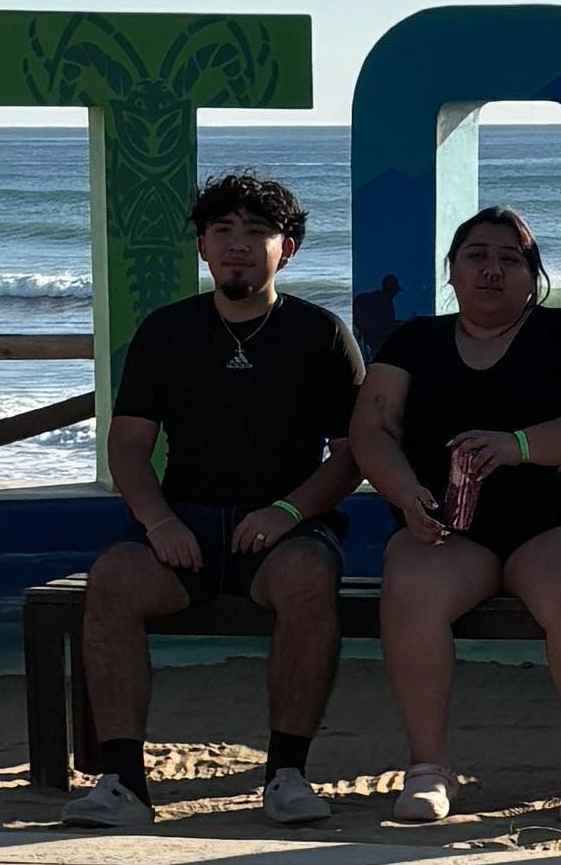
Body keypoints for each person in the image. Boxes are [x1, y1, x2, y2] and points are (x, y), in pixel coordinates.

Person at [70, 175, 363, 824]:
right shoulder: (167, 332)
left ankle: (287, 773)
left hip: (288, 526)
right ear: (202, 246)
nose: (239, 245)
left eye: (257, 232)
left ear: (285, 249)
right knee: (112, 580)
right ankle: (121, 782)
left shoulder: (321, 334)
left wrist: (288, 511)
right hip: (186, 525)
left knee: (310, 581)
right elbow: (128, 447)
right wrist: (159, 521)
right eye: (223, 232)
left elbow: (352, 454)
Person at [352, 203, 561, 829]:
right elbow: (371, 428)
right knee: (410, 588)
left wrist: (520, 445)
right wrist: (404, 493)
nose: (492, 270)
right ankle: (427, 768)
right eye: (476, 256)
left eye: (511, 259)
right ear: (451, 271)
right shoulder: (414, 341)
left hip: (558, 521)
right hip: (449, 527)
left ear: (532, 275)